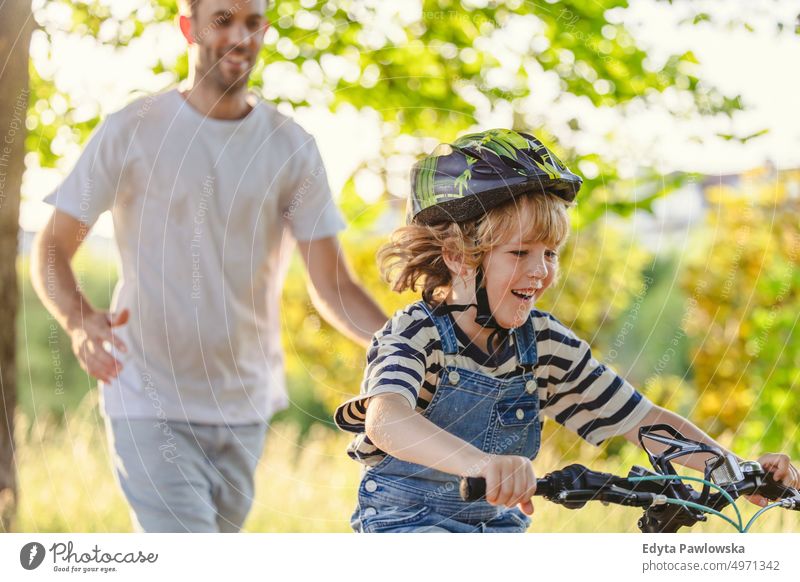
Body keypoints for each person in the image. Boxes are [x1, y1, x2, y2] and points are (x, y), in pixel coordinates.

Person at [31, 0, 386, 532]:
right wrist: (79, 319)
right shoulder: (133, 129)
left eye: (252, 23)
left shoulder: (290, 147)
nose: (240, 36)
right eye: (223, 20)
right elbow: (53, 247)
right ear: (187, 27)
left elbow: (333, 284)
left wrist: (406, 348)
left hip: (244, 403)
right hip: (146, 397)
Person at [334, 128, 800, 533]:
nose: (540, 272)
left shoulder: (544, 344)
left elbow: (642, 420)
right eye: (520, 254)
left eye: (550, 254)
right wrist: (481, 464)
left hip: (496, 532)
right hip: (406, 528)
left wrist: (736, 470)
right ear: (458, 256)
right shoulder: (416, 334)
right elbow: (387, 419)